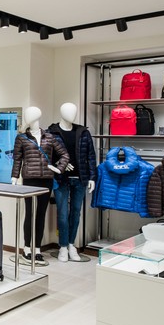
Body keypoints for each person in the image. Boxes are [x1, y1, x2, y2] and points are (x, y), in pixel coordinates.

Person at [11, 106, 69, 265]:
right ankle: (26, 248)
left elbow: (64, 154)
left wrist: (59, 168)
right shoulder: (21, 138)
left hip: (46, 180)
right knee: (29, 213)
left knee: (41, 214)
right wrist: (14, 177)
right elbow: (17, 159)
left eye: (30, 114)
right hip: (29, 180)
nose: (27, 117)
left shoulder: (50, 137)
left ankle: (37, 248)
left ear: (37, 116)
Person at [48, 103, 97, 262]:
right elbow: (46, 156)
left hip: (80, 178)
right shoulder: (51, 132)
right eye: (69, 111)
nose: (72, 114)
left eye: (74, 111)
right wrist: (58, 163)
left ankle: (71, 245)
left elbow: (91, 156)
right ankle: (63, 246)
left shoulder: (83, 132)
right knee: (62, 214)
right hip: (61, 179)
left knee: (76, 212)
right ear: (61, 112)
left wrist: (92, 177)